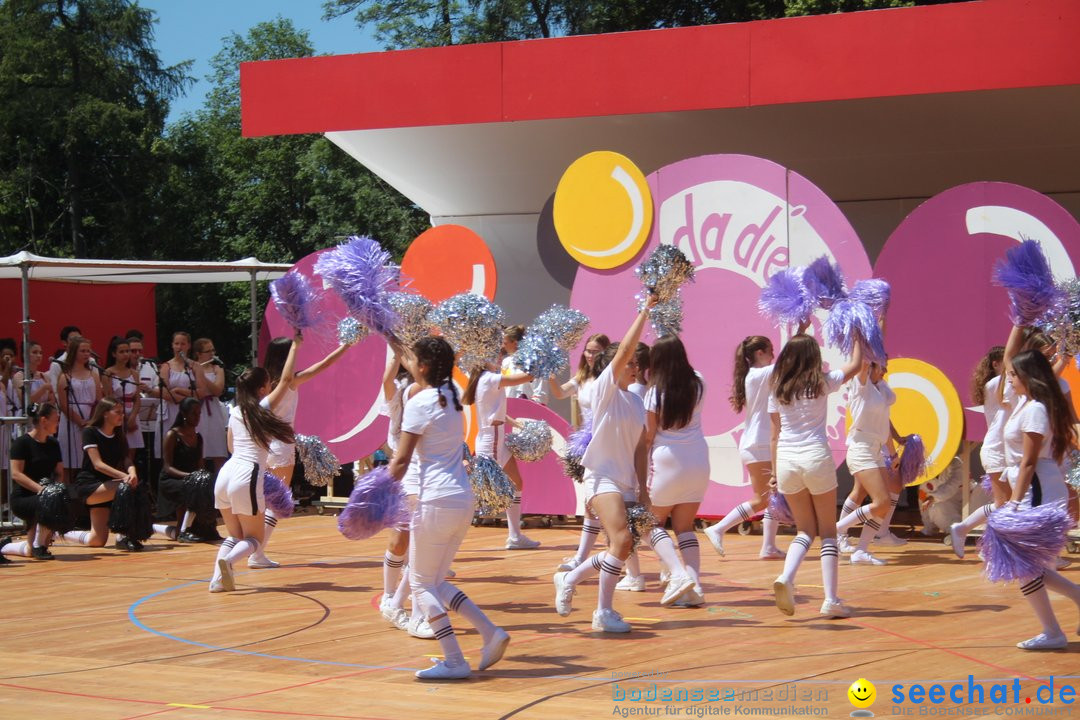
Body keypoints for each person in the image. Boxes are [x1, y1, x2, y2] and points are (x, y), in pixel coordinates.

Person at [553, 294, 686, 633]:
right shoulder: (603, 390)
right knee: (623, 539)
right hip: (601, 478)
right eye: (628, 364)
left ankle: (581, 588)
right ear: (614, 367)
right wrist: (645, 310)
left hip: (626, 481)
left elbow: (642, 449)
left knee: (622, 547)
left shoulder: (635, 401)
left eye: (634, 365)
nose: (634, 367)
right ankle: (603, 612)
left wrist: (642, 490)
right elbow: (625, 349)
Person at [388, 336, 509, 679]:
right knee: (436, 581)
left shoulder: (420, 401)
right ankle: (490, 632)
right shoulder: (452, 395)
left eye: (413, 360)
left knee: (420, 585)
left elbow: (400, 461)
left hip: (434, 501)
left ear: (423, 367)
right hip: (460, 500)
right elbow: (411, 359)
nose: (408, 363)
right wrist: (389, 334)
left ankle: (455, 660)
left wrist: (370, 495)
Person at [769, 324, 862, 619]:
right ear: (814, 358)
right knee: (827, 532)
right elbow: (857, 364)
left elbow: (774, 433)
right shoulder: (822, 382)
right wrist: (859, 330)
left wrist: (773, 472)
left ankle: (786, 577)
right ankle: (831, 599)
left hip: (786, 461)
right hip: (815, 458)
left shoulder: (777, 386)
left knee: (804, 530)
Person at [994, 338, 1080, 650]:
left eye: (1015, 375)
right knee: (1029, 566)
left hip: (1036, 489)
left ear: (1028, 377)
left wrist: (1014, 502)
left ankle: (1053, 633)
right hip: (1031, 486)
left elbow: (1029, 461)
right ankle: (1071, 604)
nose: (1010, 378)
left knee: (1024, 566)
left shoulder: (1035, 411)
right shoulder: (1025, 404)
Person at [248, 336, 354, 569]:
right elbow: (325, 364)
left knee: (262, 501)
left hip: (262, 447)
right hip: (282, 447)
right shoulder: (290, 382)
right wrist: (346, 346)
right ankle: (256, 552)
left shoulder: (262, 386)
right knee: (276, 503)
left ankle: (253, 549)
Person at [209, 339, 298, 592]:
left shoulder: (235, 411)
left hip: (225, 474)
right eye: (268, 384)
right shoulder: (263, 408)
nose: (272, 386)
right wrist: (295, 347)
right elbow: (286, 380)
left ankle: (217, 581)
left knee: (234, 535)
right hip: (247, 475)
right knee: (254, 539)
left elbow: (230, 447)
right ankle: (228, 561)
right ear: (261, 389)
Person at [641, 336, 710, 606]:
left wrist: (640, 469)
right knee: (685, 528)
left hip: (667, 460)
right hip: (697, 458)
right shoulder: (699, 381)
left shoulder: (655, 391)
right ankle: (695, 587)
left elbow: (649, 435)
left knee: (648, 525)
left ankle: (679, 574)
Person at [705, 336, 785, 560]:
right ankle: (718, 528)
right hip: (759, 444)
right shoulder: (760, 374)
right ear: (759, 353)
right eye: (770, 350)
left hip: (757, 443)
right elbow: (789, 360)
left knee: (772, 497)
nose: (773, 353)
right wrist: (799, 329)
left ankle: (768, 546)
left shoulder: (756, 375)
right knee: (764, 499)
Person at [377, 346, 436, 639]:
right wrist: (396, 344)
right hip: (404, 471)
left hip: (424, 471)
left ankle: (410, 598)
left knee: (419, 539)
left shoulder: (430, 394)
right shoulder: (399, 394)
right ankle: (390, 596)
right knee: (400, 537)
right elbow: (386, 380)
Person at [462, 358, 539, 550]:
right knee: (479, 493)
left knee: (516, 483)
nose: (498, 359)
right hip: (492, 442)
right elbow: (526, 377)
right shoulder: (489, 378)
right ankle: (445, 535)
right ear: (484, 360)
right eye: (493, 356)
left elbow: (497, 413)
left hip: (494, 439)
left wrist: (518, 424)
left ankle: (515, 536)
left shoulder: (484, 379)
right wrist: (540, 359)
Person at [833, 358, 903, 565]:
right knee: (880, 502)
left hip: (875, 450)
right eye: (881, 366)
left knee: (884, 503)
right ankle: (837, 530)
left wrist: (893, 454)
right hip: (861, 449)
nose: (885, 370)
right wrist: (870, 334)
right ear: (869, 366)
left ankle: (861, 551)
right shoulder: (860, 386)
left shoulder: (880, 391)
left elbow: (884, 428)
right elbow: (865, 357)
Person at [551, 333, 611, 573]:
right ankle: (583, 557)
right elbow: (559, 393)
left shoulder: (608, 378)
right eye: (588, 350)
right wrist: (551, 375)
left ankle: (617, 557)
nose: (590, 355)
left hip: (607, 443)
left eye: (596, 351)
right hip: (588, 444)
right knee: (591, 500)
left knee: (602, 501)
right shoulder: (581, 377)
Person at [69, 397, 142, 550]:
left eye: (122, 412)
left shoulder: (118, 434)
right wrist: (123, 476)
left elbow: (126, 459)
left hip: (109, 486)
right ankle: (124, 535)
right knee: (126, 487)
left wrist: (132, 471)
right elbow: (98, 464)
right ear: (105, 413)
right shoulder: (90, 432)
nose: (122, 415)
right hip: (90, 486)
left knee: (97, 540)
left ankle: (59, 533)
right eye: (118, 412)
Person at [2, 403, 64, 561]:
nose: (58, 422)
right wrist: (42, 490)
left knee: (61, 497)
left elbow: (59, 473)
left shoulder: (53, 444)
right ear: (44, 421)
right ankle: (39, 545)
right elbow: (16, 474)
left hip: (46, 495)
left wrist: (55, 488)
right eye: (56, 419)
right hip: (23, 497)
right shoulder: (22, 443)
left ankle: (14, 546)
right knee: (50, 499)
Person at [157, 397, 204, 542]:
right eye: (193, 414)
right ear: (184, 414)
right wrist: (190, 476)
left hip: (190, 479)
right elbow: (167, 466)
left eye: (199, 413)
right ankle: (183, 529)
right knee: (191, 487)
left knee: (205, 485)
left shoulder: (198, 437)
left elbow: (200, 465)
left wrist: (203, 477)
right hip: (171, 479)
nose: (197, 417)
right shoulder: (173, 435)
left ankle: (199, 527)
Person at [57, 336, 103, 482]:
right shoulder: (65, 376)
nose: (86, 354)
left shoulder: (94, 375)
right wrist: (79, 421)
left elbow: (99, 401)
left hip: (90, 420)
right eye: (82, 351)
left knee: (87, 458)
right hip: (71, 421)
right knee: (69, 461)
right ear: (74, 353)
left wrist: (91, 421)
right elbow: (63, 405)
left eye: (88, 351)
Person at [102, 336, 143, 465]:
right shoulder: (108, 373)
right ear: (114, 354)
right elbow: (108, 397)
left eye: (127, 351)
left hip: (132, 415)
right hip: (116, 414)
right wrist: (122, 417)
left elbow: (137, 399)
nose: (126, 354)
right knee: (117, 451)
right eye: (122, 352)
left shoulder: (134, 373)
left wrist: (132, 417)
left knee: (131, 451)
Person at [192, 337, 227, 473]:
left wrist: (202, 376)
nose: (212, 353)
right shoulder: (192, 368)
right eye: (208, 351)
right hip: (197, 411)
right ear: (199, 354)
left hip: (213, 410)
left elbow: (217, 390)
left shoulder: (217, 368)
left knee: (218, 451)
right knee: (200, 452)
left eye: (213, 350)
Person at [501, 325, 548, 404]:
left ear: (515, 343)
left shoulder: (535, 362)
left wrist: (525, 407)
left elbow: (541, 396)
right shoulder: (506, 362)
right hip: (506, 411)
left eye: (505, 343)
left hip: (527, 414)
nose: (502, 346)